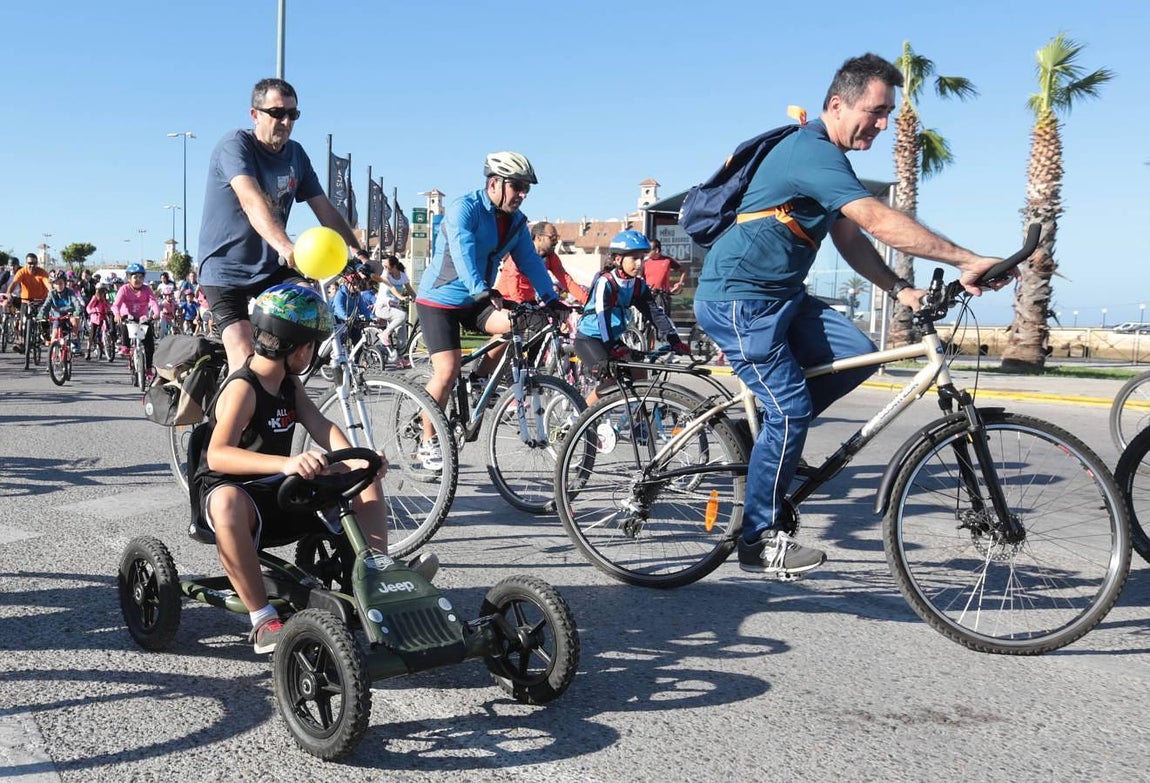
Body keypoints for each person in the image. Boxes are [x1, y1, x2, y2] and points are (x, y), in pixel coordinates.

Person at [692, 53, 1010, 580]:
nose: (884, 125)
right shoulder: (810, 151)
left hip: (784, 296)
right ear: (837, 105)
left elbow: (851, 238)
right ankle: (758, 539)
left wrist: (901, 288)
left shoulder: (830, 161)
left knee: (859, 354)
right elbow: (874, 217)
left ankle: (768, 441)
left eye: (888, 114)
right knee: (791, 410)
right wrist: (966, 258)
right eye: (877, 111)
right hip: (738, 298)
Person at [191, 283, 436, 654]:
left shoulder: (288, 384)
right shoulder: (244, 388)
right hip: (236, 496)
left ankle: (379, 577)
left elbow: (321, 426)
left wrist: (357, 458)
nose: (313, 353)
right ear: (296, 346)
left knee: (361, 476)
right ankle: (262, 620)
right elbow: (217, 455)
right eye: (311, 345)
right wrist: (288, 462)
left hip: (278, 489)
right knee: (226, 502)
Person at [197, 77, 373, 375]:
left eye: (293, 114)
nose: (286, 121)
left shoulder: (296, 155)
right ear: (255, 114)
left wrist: (358, 253)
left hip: (269, 267)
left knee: (309, 311)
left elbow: (324, 208)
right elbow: (252, 202)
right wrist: (286, 246)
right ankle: (228, 417)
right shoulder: (235, 146)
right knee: (244, 362)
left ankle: (282, 403)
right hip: (225, 271)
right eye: (277, 113)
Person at [413, 151, 570, 469]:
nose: (522, 194)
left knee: (517, 323)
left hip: (478, 300)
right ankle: (426, 438)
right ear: (494, 183)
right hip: (439, 300)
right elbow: (463, 252)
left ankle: (481, 379)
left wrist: (551, 299)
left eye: (527, 188)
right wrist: (481, 292)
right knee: (447, 369)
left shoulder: (516, 223)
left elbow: (530, 261)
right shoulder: (465, 209)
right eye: (517, 186)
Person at [574, 230, 690, 405]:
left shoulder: (637, 285)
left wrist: (674, 340)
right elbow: (602, 317)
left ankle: (639, 424)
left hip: (611, 339)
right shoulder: (606, 282)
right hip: (590, 339)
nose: (639, 263)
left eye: (641, 258)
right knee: (612, 380)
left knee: (640, 372)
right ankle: (578, 419)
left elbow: (655, 313)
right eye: (634, 259)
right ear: (619, 260)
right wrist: (612, 349)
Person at [495, 222, 588, 307]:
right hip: (507, 299)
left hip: (529, 300)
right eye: (553, 238)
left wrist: (587, 302)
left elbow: (567, 281)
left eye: (557, 238)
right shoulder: (521, 252)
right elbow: (512, 279)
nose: (556, 242)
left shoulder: (551, 258)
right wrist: (519, 302)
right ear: (538, 238)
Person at [112, 262, 161, 370]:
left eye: (141, 277)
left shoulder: (146, 289)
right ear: (129, 278)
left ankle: (148, 369)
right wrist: (117, 314)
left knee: (149, 346)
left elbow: (153, 302)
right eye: (135, 277)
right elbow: (116, 305)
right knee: (125, 323)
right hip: (128, 317)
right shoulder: (124, 289)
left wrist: (157, 313)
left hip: (143, 318)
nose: (138, 279)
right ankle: (125, 346)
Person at [372, 255, 415, 366]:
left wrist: (418, 298)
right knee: (402, 315)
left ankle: (399, 359)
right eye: (383, 266)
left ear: (394, 266)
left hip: (394, 309)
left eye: (387, 266)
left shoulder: (402, 276)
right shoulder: (385, 275)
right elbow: (392, 288)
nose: (384, 268)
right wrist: (401, 297)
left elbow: (409, 289)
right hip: (383, 307)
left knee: (402, 333)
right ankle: (385, 334)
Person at [5, 253, 50, 353]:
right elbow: (13, 284)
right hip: (26, 301)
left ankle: (46, 335)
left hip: (40, 301)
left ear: (37, 263)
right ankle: (21, 342)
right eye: (30, 263)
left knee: (43, 319)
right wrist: (9, 295)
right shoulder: (22, 272)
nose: (32, 265)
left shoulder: (42, 272)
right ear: (26, 263)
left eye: (34, 263)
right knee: (23, 321)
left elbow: (48, 285)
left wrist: (52, 294)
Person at [38, 273, 82, 351]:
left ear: (65, 283)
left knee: (75, 320)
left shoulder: (70, 292)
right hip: (57, 317)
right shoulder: (52, 294)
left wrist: (78, 310)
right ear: (53, 285)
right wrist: (41, 313)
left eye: (61, 283)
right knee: (54, 334)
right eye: (56, 283)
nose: (59, 285)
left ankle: (74, 341)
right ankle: (52, 354)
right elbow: (46, 305)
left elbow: (75, 301)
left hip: (69, 315)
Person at [642, 239, 686, 317]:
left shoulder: (667, 260)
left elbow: (683, 271)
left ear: (656, 250)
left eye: (649, 250)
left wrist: (680, 283)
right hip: (648, 295)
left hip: (662, 295)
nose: (647, 252)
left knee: (663, 319)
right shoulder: (645, 262)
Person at [86, 282, 114, 357]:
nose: (103, 293)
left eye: (104, 291)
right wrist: (92, 311)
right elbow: (88, 307)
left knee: (107, 329)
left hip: (103, 317)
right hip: (95, 318)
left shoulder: (104, 299)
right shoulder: (95, 298)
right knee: (92, 335)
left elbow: (109, 306)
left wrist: (112, 310)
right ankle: (88, 351)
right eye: (102, 291)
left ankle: (107, 343)